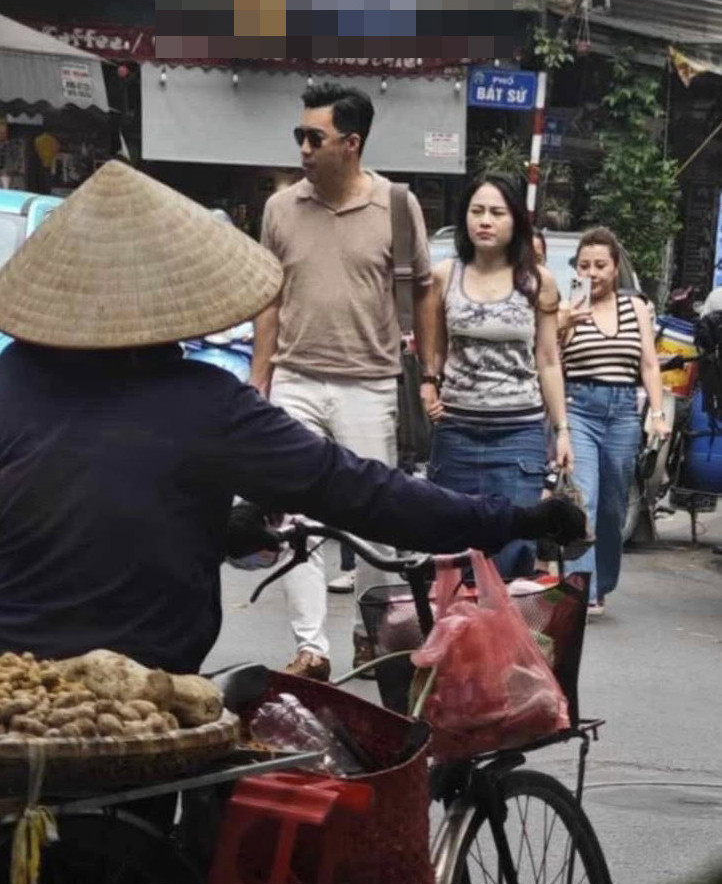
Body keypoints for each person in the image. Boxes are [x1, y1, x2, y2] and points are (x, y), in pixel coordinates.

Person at [0, 159, 586, 674]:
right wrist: (517, 520)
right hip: (143, 692)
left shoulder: (12, 379)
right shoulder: (205, 403)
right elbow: (363, 492)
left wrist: (220, 526)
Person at [250, 81, 436, 681]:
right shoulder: (281, 208)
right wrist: (261, 385)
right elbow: (268, 301)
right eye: (298, 135)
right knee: (296, 522)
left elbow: (424, 291)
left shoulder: (397, 204)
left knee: (373, 524)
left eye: (315, 137)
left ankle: (372, 634)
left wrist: (430, 374)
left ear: (351, 143)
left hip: (370, 383)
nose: (303, 147)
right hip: (296, 380)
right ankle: (312, 648)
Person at [419, 173, 573, 579]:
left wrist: (561, 430)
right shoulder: (444, 275)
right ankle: (458, 640)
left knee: (510, 552)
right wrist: (429, 382)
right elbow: (434, 345)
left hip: (518, 436)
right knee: (452, 552)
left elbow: (548, 359)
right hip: (456, 431)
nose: (485, 221)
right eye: (477, 211)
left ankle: (504, 642)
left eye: (496, 212)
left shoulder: (538, 281)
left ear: (515, 221)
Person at [559, 227, 671, 617]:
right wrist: (565, 322)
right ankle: (580, 589)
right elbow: (551, 361)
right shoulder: (565, 308)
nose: (592, 273)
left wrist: (657, 414)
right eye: (585, 265)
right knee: (583, 499)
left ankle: (601, 582)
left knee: (611, 506)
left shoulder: (636, 308)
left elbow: (649, 364)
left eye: (600, 265)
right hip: (579, 406)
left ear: (616, 267)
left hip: (623, 410)